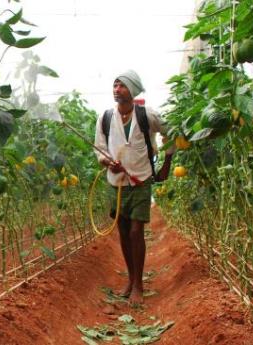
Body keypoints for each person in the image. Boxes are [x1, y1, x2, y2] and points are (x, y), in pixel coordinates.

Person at [94, 70, 173, 304]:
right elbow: (99, 148)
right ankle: (130, 279)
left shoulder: (146, 115)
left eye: (121, 86)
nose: (116, 90)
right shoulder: (106, 118)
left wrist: (167, 162)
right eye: (114, 85)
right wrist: (108, 161)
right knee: (123, 231)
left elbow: (171, 131)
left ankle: (139, 284)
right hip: (116, 182)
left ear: (132, 90)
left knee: (136, 231)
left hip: (141, 179)